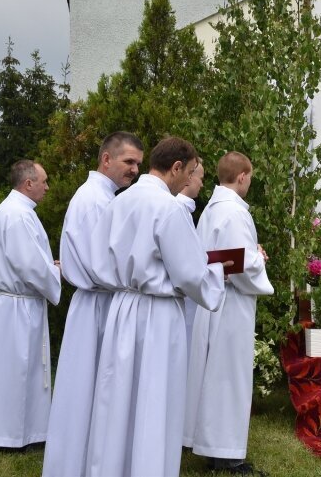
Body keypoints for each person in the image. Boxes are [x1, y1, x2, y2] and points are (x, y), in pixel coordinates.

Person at [84, 137, 228, 477]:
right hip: (157, 315)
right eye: (191, 171)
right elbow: (191, 274)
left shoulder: (121, 201)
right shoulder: (167, 208)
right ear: (176, 168)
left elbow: (97, 256)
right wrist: (218, 274)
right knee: (155, 398)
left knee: (118, 396)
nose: (191, 179)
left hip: (122, 307)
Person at [42, 132, 144, 477]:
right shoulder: (96, 201)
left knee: (91, 387)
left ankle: (85, 460)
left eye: (138, 165)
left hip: (99, 302)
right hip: (98, 304)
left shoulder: (104, 198)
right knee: (88, 388)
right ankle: (76, 464)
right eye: (129, 162)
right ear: (106, 159)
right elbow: (104, 264)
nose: (134, 170)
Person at [186, 151, 274, 475]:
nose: (249, 182)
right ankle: (228, 455)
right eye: (249, 177)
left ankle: (214, 449)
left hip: (213, 300)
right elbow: (241, 265)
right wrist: (259, 260)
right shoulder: (235, 213)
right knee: (228, 379)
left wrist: (251, 256)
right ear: (242, 177)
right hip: (230, 302)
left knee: (214, 377)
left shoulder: (210, 208)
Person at [0, 160, 62, 447]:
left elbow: (28, 260)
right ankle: (8, 435)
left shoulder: (12, 211)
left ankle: (8, 431)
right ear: (28, 183)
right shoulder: (18, 215)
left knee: (10, 369)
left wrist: (48, 265)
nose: (47, 187)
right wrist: (55, 271)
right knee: (18, 370)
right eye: (44, 181)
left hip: (11, 305)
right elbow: (30, 266)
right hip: (18, 307)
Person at [176, 159, 205, 362]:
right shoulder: (175, 210)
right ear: (189, 176)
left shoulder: (184, 211)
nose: (202, 184)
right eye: (201, 178)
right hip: (178, 301)